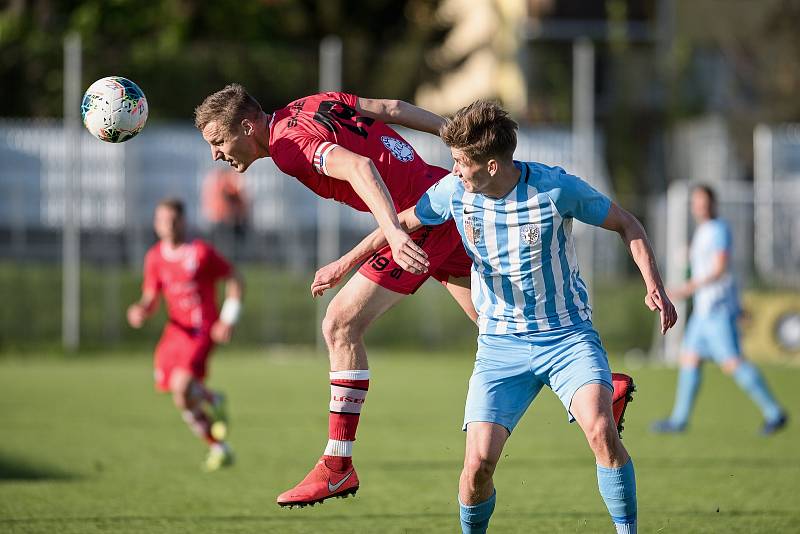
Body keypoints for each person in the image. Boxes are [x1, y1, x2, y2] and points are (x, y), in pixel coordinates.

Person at [194, 85, 635, 507]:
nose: (216, 153)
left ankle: (337, 463)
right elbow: (389, 108)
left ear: (247, 125)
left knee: (340, 323)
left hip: (421, 217)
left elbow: (359, 168)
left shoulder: (289, 146)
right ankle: (604, 385)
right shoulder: (310, 103)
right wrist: (455, 136)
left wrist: (392, 232)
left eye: (217, 140)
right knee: (496, 323)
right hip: (444, 196)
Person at [315, 101, 677, 533]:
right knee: (477, 467)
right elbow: (401, 223)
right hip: (500, 348)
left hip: (567, 338)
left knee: (601, 432)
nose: (452, 171)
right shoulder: (454, 192)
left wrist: (653, 284)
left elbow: (628, 224)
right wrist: (344, 263)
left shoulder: (554, 189)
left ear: (490, 166)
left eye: (459, 163)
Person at [652, 185, 787, 435]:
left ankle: (774, 412)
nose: (700, 207)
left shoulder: (719, 229)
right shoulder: (703, 231)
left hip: (718, 309)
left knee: (732, 363)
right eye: (696, 202)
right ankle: (679, 420)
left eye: (704, 202)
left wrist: (687, 288)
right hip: (703, 312)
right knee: (690, 359)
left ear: (713, 204)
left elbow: (720, 269)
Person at [127, 198, 244, 471]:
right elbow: (151, 296)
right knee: (182, 399)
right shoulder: (154, 257)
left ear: (183, 221)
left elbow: (235, 278)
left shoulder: (200, 252)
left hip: (202, 330)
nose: (166, 225)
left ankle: (212, 404)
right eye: (161, 220)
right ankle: (218, 443)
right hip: (175, 333)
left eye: (172, 220)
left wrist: (228, 318)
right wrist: (141, 310)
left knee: (181, 387)